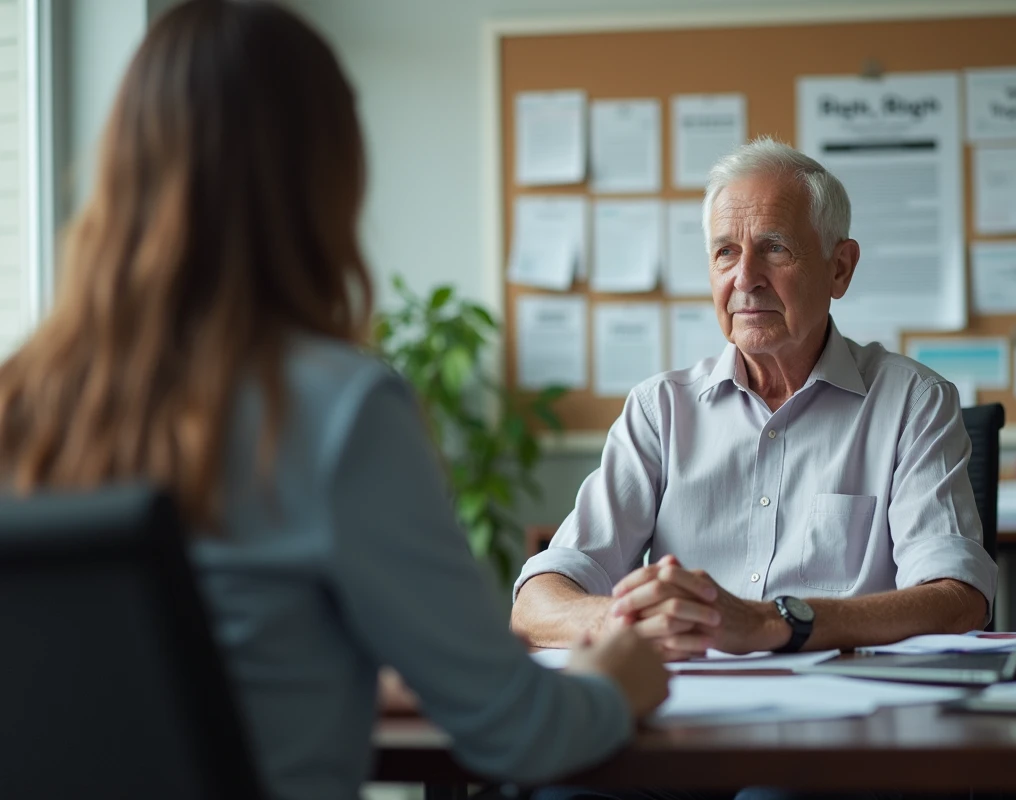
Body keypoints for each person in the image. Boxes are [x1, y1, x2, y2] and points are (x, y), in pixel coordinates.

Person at [0, 3, 668, 799]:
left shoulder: (21, 402)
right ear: (324, 177)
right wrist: (617, 679)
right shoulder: (337, 409)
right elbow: (516, 731)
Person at [512, 137, 997, 660]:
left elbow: (957, 599)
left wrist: (776, 622)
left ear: (840, 268)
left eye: (775, 248)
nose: (745, 278)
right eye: (726, 252)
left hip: (849, 712)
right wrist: (628, 619)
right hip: (689, 715)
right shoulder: (661, 411)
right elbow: (537, 602)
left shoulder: (913, 402)